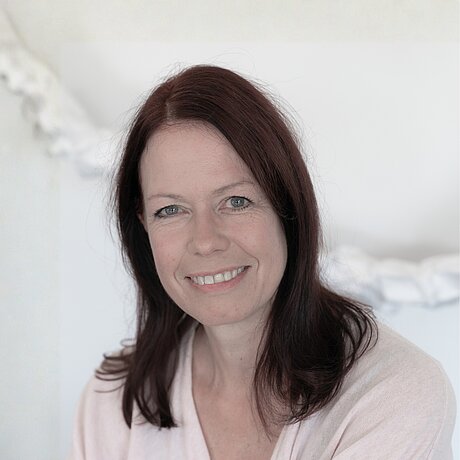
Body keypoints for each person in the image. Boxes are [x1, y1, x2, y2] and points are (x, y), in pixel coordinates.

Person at [69, 65, 456, 460]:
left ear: (287, 207)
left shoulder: (394, 394)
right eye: (170, 210)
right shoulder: (113, 401)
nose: (205, 241)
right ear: (143, 226)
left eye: (236, 201)